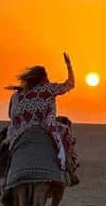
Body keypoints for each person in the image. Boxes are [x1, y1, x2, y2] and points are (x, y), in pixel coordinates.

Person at [6, 53, 79, 185]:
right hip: (46, 127)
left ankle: (1, 174)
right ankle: (68, 167)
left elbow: (10, 115)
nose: (48, 79)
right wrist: (69, 66)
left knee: (3, 147)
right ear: (42, 78)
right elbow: (70, 84)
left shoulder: (19, 94)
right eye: (46, 77)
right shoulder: (47, 89)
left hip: (19, 130)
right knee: (66, 131)